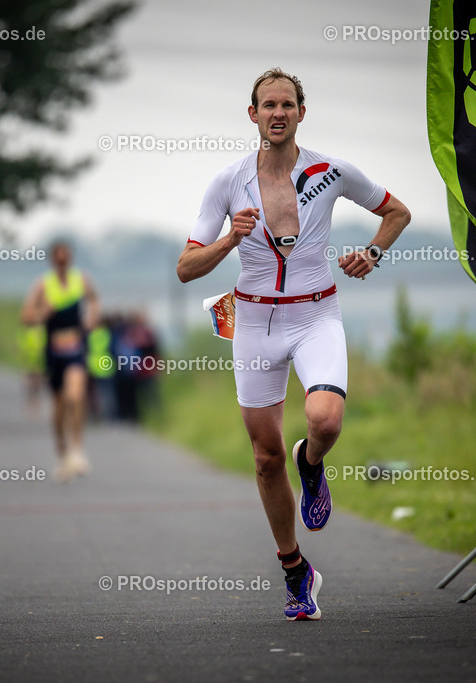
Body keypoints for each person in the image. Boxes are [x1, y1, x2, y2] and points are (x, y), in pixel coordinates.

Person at [176, 68, 411, 620]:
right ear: (252, 115)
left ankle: (313, 463)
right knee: (263, 457)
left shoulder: (330, 171)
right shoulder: (226, 182)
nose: (277, 113)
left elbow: (396, 213)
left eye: (287, 104)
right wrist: (230, 239)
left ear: (301, 112)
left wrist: (371, 254)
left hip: (316, 315)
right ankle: (295, 571)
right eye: (267, 105)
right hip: (255, 322)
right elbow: (187, 267)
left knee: (325, 421)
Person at [21, 241, 100, 482]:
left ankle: (77, 450)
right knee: (58, 406)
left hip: (76, 347)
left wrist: (92, 318)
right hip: (54, 350)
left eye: (67, 258)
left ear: (71, 258)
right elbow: (25, 316)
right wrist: (41, 314)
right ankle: (61, 451)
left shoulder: (81, 279)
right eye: (59, 258)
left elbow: (94, 300)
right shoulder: (43, 285)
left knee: (75, 397)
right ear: (53, 260)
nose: (63, 262)